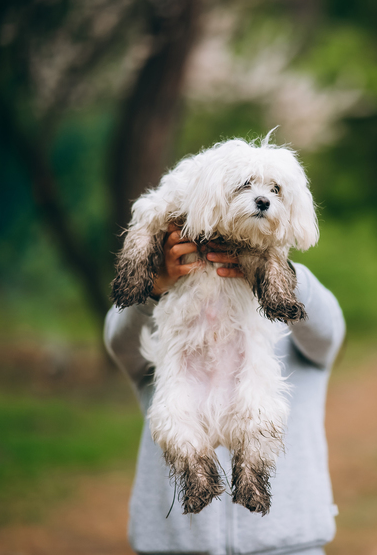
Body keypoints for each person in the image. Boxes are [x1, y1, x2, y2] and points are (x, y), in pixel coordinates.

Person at [104, 223, 345, 555]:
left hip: (287, 544)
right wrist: (154, 286)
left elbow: (329, 332)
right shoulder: (170, 310)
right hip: (174, 544)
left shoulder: (298, 333)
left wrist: (274, 272)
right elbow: (121, 346)